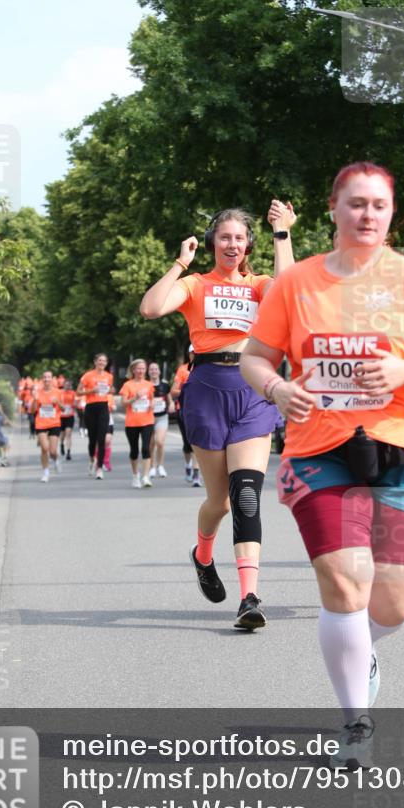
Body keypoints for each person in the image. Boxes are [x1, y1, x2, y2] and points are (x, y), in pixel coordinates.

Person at [240, 161, 404, 763]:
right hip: (319, 447)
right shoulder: (298, 283)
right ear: (333, 209)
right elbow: (256, 357)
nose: (367, 214)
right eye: (355, 203)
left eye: (378, 205)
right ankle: (356, 725)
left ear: (390, 213)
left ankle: (356, 647)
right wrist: (275, 389)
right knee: (345, 582)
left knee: (394, 603)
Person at [140, 200, 296, 629]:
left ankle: (249, 596)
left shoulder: (261, 284)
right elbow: (151, 308)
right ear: (212, 243)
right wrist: (178, 263)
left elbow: (290, 291)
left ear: (248, 247)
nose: (232, 244)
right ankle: (203, 554)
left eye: (240, 238)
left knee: (246, 494)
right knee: (220, 501)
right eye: (225, 237)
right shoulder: (194, 284)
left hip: (252, 389)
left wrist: (283, 234)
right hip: (206, 390)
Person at [119, 358, 155, 488]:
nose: (141, 371)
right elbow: (123, 403)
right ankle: (135, 476)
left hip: (147, 420)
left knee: (146, 448)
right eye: (138, 368)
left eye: (143, 368)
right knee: (134, 451)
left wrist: (152, 404)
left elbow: (151, 400)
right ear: (133, 370)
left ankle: (145, 477)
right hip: (132, 422)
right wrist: (135, 397)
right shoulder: (127, 385)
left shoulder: (149, 385)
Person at [77, 353, 114, 479]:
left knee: (102, 439)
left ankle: (99, 468)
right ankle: (92, 459)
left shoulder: (109, 376)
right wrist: (91, 391)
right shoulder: (88, 376)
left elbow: (110, 390)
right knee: (92, 440)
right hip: (91, 408)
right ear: (95, 362)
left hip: (103, 407)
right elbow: (78, 391)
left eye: (104, 361)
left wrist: (111, 390)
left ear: (106, 363)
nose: (102, 363)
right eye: (99, 360)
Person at [171, 347, 201, 485]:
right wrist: (187, 386)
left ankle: (196, 474)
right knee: (187, 443)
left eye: (199, 352)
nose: (196, 355)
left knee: (196, 441)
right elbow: (173, 392)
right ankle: (188, 465)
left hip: (201, 411)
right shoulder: (183, 370)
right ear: (189, 354)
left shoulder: (205, 369)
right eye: (194, 353)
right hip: (183, 410)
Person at [33, 370, 64, 482]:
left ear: (52, 379)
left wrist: (58, 403)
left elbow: (64, 408)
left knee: (52, 451)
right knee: (44, 449)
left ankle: (56, 460)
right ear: (42, 379)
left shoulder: (58, 392)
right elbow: (32, 410)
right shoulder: (38, 393)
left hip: (54, 423)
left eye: (48, 377)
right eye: (44, 377)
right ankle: (46, 472)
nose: (46, 379)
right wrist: (35, 400)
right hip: (41, 423)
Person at [147, 361, 174, 478]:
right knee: (151, 444)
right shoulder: (145, 385)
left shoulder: (165, 385)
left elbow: (169, 399)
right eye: (151, 369)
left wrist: (172, 404)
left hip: (162, 417)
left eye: (155, 369)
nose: (154, 371)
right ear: (148, 372)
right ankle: (152, 467)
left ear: (159, 371)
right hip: (148, 417)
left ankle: (161, 466)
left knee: (160, 442)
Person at [59, 379, 76, 460]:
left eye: (69, 385)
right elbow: (57, 403)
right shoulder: (60, 393)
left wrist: (73, 405)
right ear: (63, 385)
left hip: (70, 416)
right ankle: (61, 444)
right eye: (66, 385)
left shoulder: (73, 393)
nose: (68, 386)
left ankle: (68, 452)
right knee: (62, 434)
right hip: (61, 416)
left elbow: (75, 403)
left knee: (68, 434)